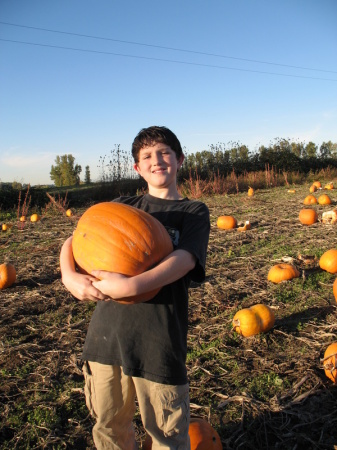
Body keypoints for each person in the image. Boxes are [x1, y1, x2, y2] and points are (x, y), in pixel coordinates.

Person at [60, 126, 210, 450]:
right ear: (137, 168)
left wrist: (131, 286)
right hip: (106, 339)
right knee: (110, 427)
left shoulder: (192, 212)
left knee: (167, 435)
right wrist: (68, 275)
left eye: (164, 153)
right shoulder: (123, 204)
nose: (156, 160)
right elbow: (76, 238)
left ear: (180, 159)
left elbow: (185, 259)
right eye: (147, 156)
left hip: (160, 341)